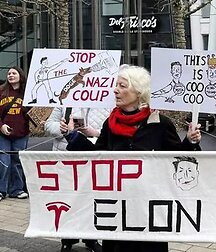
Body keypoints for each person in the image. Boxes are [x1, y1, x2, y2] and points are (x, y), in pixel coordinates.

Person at [65, 65, 201, 252]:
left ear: (138, 91)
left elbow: (178, 159)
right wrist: (73, 137)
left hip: (150, 211)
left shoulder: (160, 124)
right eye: (116, 85)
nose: (115, 90)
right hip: (118, 209)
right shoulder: (110, 123)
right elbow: (96, 157)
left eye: (122, 86)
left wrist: (190, 141)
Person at [45, 107, 110, 252]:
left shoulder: (107, 102)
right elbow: (48, 125)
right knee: (68, 200)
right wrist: (60, 128)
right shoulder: (64, 102)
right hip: (66, 159)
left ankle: (91, 239)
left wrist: (95, 132)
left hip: (93, 159)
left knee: (91, 200)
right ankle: (67, 240)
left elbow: (111, 132)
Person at [0, 67, 30, 201]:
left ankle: (17, 190)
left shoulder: (28, 93)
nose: (11, 75)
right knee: (3, 161)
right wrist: (1, 126)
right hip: (2, 134)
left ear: (20, 75)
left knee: (18, 161)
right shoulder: (1, 91)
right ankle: (1, 190)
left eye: (14, 73)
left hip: (21, 134)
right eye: (9, 73)